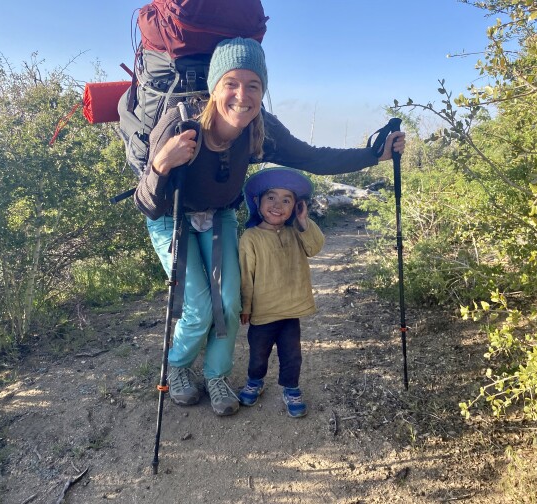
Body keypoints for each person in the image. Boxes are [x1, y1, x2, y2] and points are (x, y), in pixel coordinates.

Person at [134, 37, 405, 417]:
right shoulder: (181, 124)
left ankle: (216, 375)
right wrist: (162, 163)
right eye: (231, 83)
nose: (241, 95)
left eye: (253, 85)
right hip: (170, 218)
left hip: (220, 215)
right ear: (214, 86)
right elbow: (147, 204)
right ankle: (177, 366)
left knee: (228, 304)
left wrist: (374, 154)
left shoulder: (261, 127)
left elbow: (312, 157)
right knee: (197, 307)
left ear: (263, 90)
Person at [237, 167, 322, 418]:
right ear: (257, 202)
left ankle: (292, 389)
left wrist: (304, 221)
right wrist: (246, 305)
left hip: (291, 310)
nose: (278, 205)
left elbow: (315, 247)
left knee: (292, 355)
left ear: (296, 206)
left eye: (287, 200)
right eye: (271, 197)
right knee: (258, 353)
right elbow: (246, 275)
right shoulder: (250, 237)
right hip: (263, 313)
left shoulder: (297, 231)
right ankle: (255, 381)